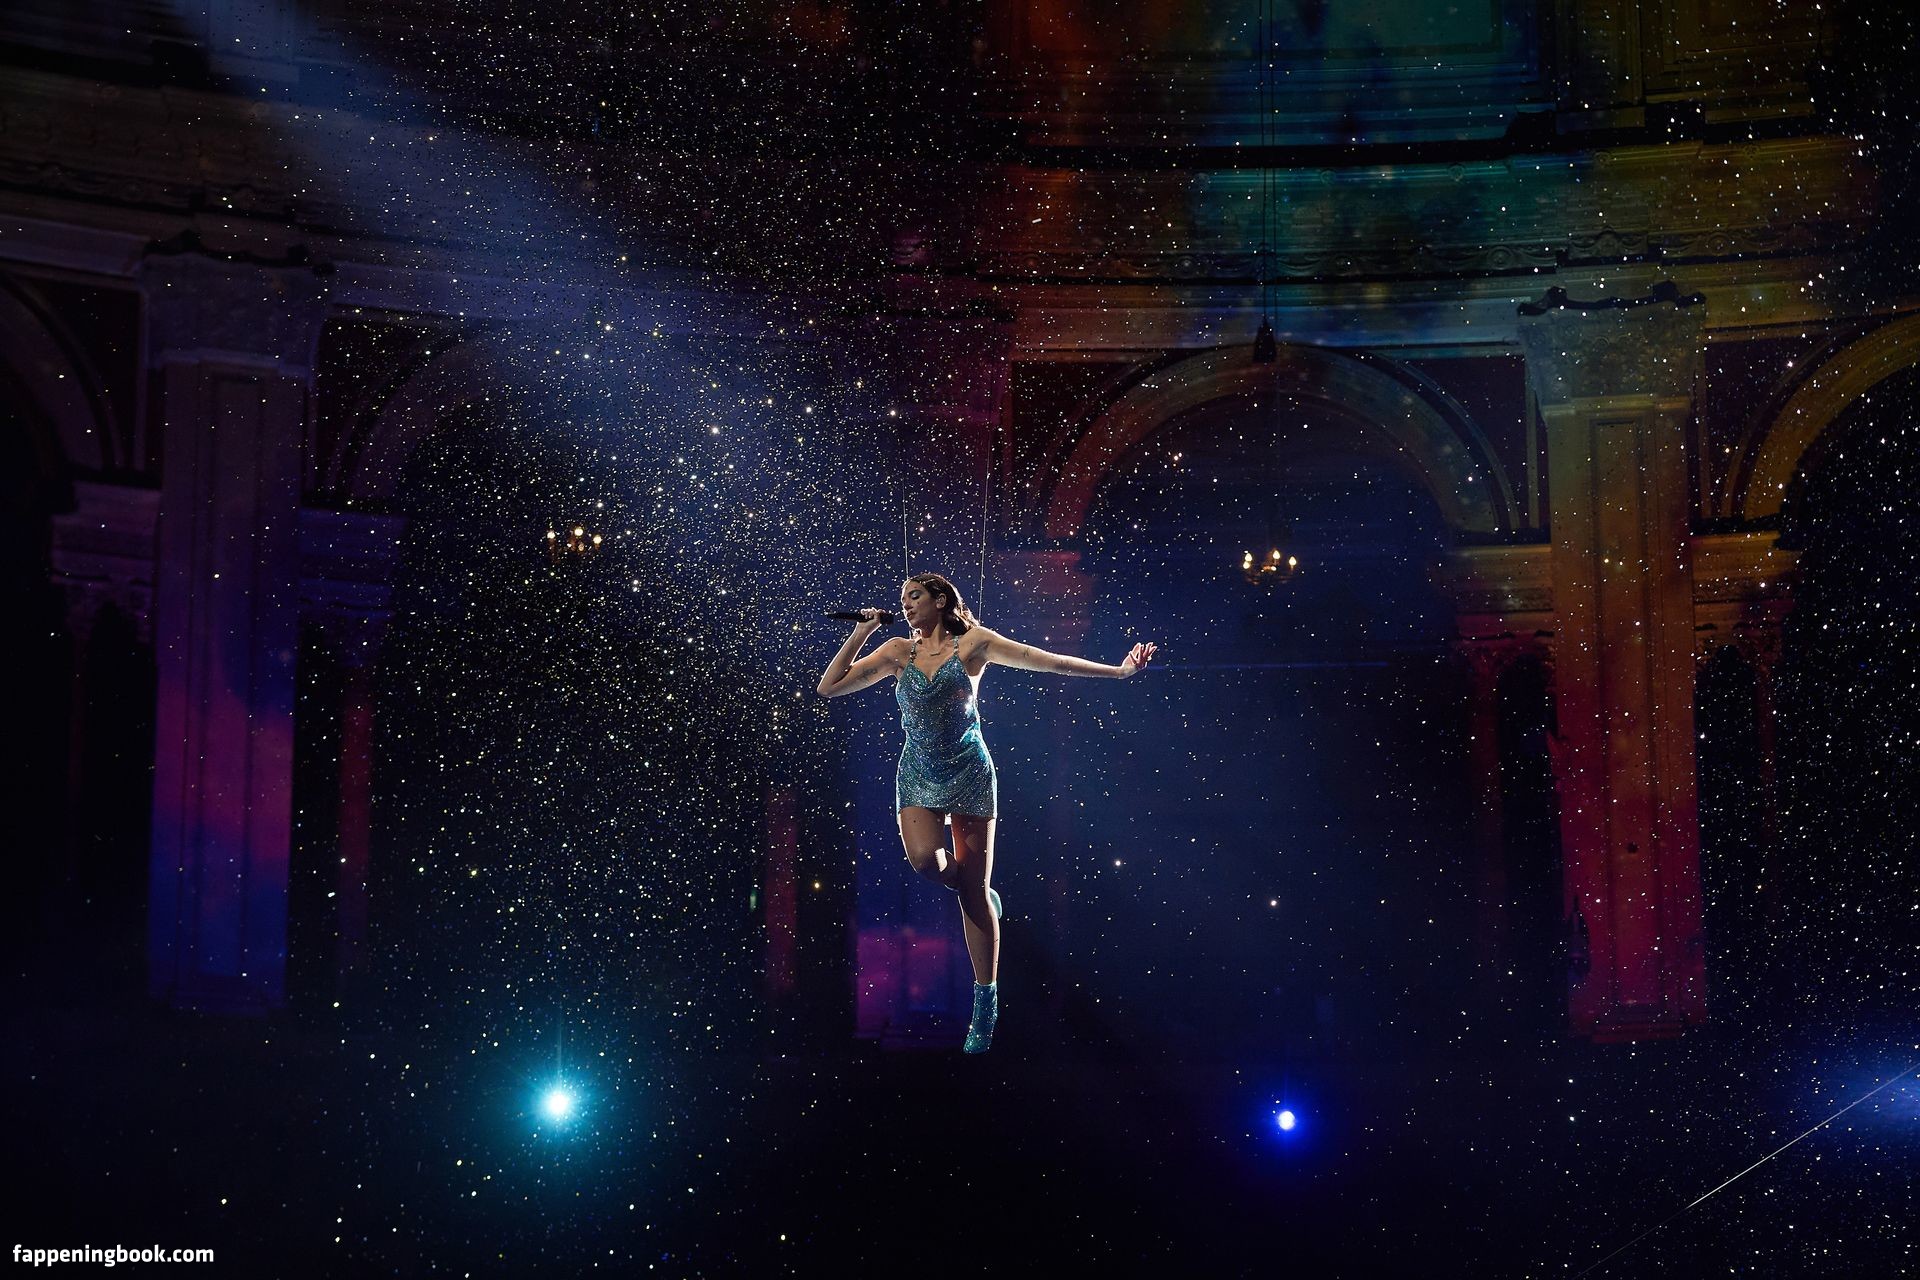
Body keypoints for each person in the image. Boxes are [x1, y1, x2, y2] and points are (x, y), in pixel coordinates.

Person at [815, 570, 1156, 1052]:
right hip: (918, 774)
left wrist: (1118, 672)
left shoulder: (974, 644)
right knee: (925, 862)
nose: (906, 604)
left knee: (972, 894)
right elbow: (829, 688)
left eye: (915, 596)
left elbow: (1048, 661)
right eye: (903, 598)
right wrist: (862, 631)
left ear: (940, 600)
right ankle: (976, 889)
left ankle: (985, 999)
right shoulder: (896, 652)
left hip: (970, 772)